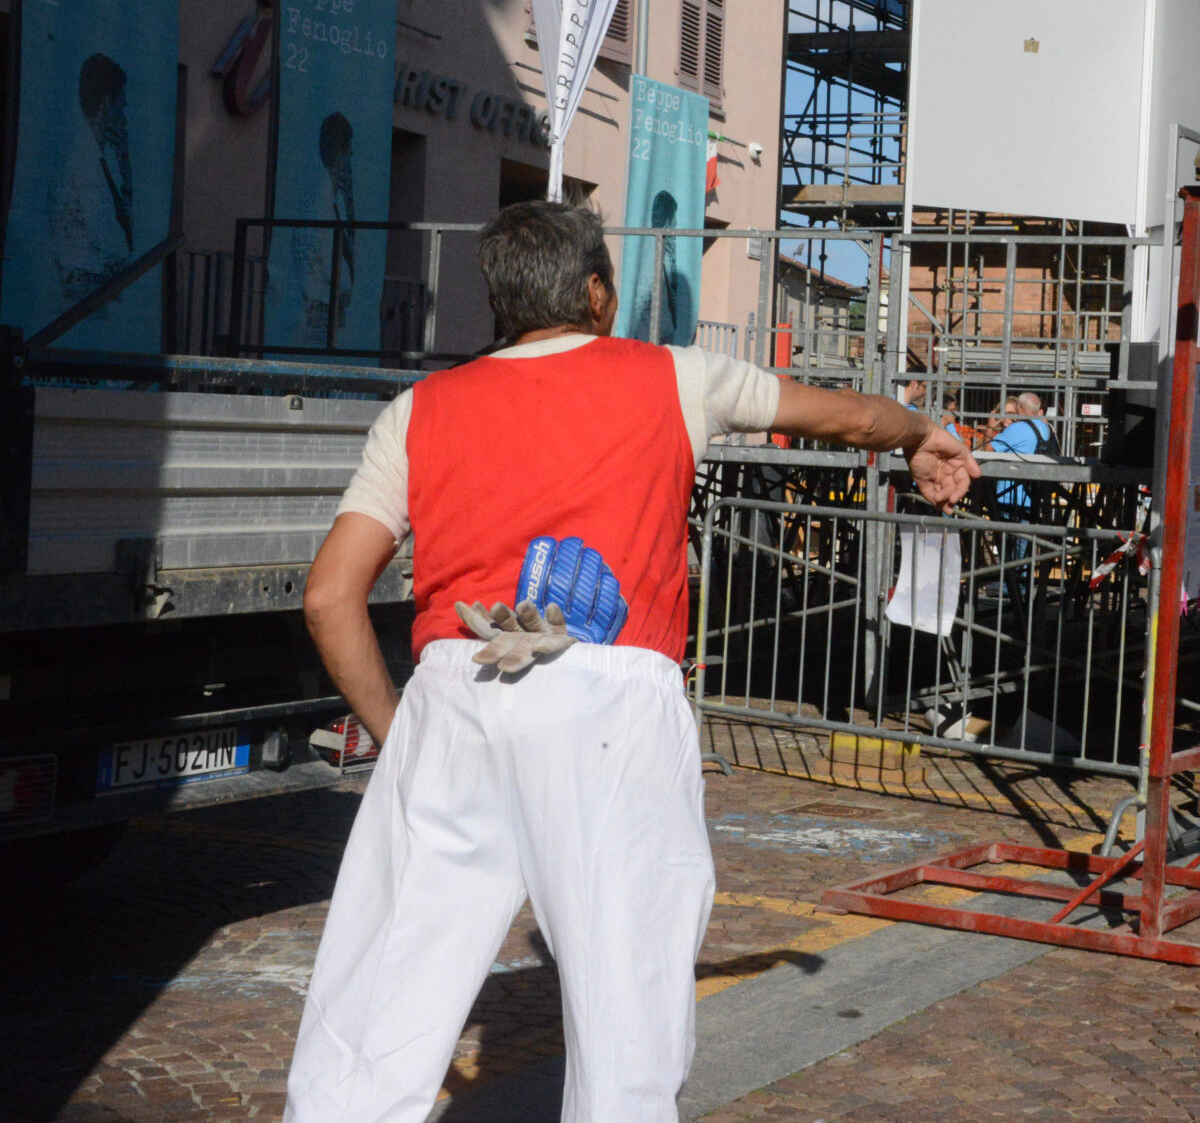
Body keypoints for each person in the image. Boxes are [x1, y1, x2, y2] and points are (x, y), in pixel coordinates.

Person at [283, 201, 977, 1123]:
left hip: (458, 682)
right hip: (608, 693)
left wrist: (401, 734)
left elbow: (329, 596)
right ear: (597, 292)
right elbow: (849, 419)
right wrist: (919, 431)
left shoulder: (419, 409)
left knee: (384, 989)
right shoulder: (676, 376)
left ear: (499, 302)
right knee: (628, 998)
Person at [986, 393, 1055, 604]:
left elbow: (987, 451)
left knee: (1009, 544)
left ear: (1023, 410)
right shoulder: (1045, 428)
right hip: (1033, 496)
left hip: (1010, 496)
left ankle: (1013, 586)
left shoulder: (1018, 429)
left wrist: (990, 427)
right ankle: (1020, 585)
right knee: (1023, 544)